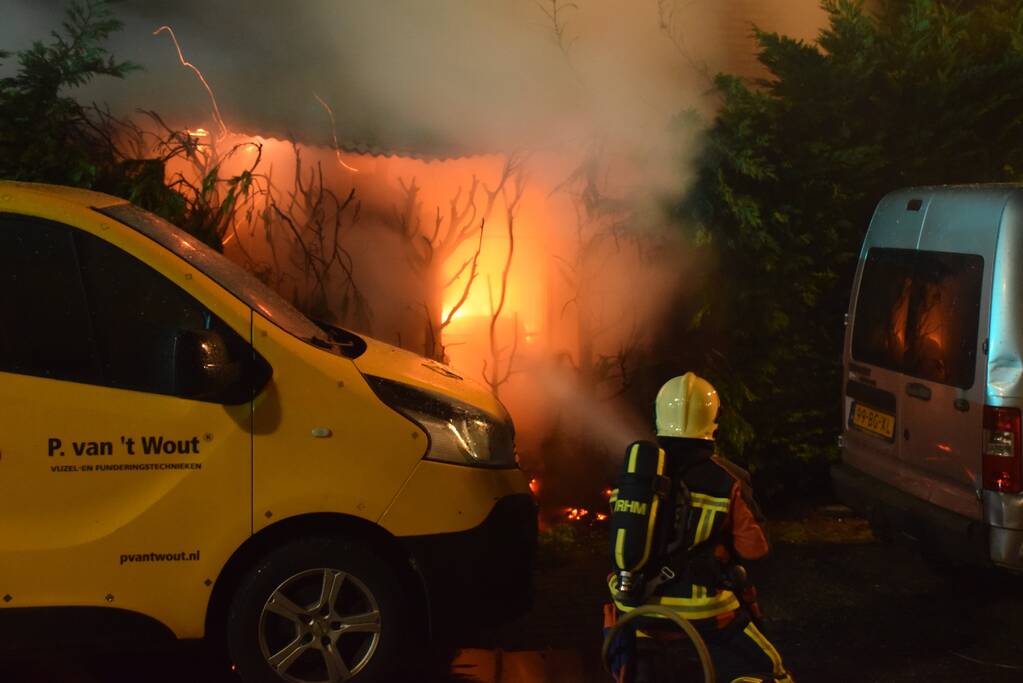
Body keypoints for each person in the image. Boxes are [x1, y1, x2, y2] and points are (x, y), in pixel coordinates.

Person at [608, 372, 793, 683]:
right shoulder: (727, 479)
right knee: (769, 670)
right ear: (712, 421)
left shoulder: (635, 476)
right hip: (705, 615)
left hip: (634, 606)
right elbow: (756, 549)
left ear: (659, 416)